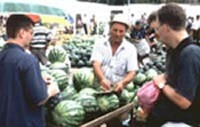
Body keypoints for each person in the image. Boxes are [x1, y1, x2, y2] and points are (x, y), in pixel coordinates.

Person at [145, 3, 200, 127]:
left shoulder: (190, 53)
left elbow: (183, 101)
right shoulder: (174, 49)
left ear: (165, 28)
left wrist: (161, 84)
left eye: (157, 28)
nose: (156, 34)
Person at [0, 14, 60, 127]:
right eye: (31, 33)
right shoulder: (28, 60)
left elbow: (11, 82)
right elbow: (39, 99)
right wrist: (51, 91)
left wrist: (38, 79)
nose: (32, 37)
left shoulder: (2, 56)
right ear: (22, 33)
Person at [90, 14, 138, 127]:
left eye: (121, 31)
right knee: (94, 119)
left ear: (126, 32)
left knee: (114, 122)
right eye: (115, 30)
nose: (117, 34)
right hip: (98, 90)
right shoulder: (100, 43)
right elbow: (96, 63)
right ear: (110, 28)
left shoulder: (130, 49)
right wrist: (102, 79)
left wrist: (122, 83)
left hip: (117, 93)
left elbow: (132, 72)